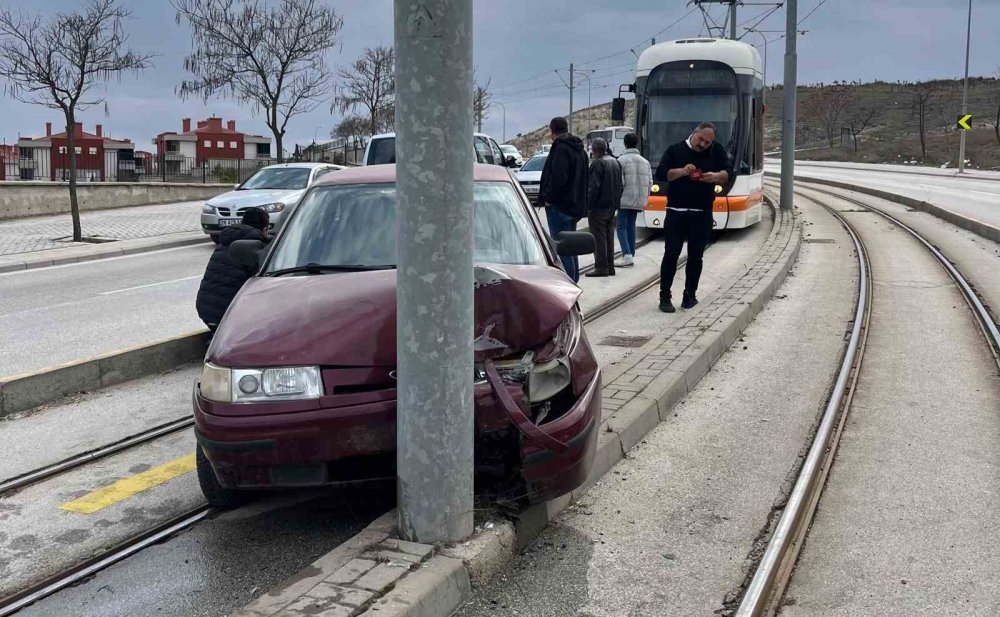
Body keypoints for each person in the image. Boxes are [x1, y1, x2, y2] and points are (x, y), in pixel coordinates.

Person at [655, 121, 731, 313]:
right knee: (671, 254)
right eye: (701, 140)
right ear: (694, 133)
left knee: (696, 256)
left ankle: (690, 295)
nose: (703, 145)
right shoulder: (675, 150)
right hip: (676, 212)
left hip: (702, 212)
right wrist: (682, 171)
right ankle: (665, 296)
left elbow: (727, 172)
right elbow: (662, 174)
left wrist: (716, 176)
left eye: (708, 142)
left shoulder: (717, 150)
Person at [196, 207, 270, 331]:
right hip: (228, 314)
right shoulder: (256, 247)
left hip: (205, 309)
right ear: (265, 229)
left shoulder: (225, 240)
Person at [537, 116, 589, 282]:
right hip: (575, 205)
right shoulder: (579, 149)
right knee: (571, 247)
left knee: (562, 248)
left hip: (560, 206)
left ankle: (569, 284)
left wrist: (549, 199)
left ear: (552, 131)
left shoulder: (560, 148)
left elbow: (559, 177)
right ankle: (574, 281)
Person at [585, 138, 623, 277]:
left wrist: (589, 205)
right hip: (612, 205)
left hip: (599, 206)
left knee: (599, 236)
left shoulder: (598, 164)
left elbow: (594, 187)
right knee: (609, 235)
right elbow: (621, 184)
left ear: (594, 150)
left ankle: (601, 267)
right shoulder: (615, 161)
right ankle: (610, 266)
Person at [615, 133, 653, 268]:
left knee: (620, 226)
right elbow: (650, 182)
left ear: (625, 144)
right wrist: (645, 197)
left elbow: (620, 182)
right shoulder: (645, 161)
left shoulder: (621, 160)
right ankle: (631, 252)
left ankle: (627, 255)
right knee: (631, 224)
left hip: (625, 198)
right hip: (639, 199)